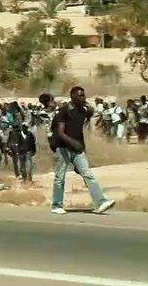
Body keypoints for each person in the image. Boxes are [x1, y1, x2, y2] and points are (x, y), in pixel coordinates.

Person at [51, 86, 116, 215]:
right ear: (72, 97)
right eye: (80, 95)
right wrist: (74, 143)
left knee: (88, 175)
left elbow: (92, 112)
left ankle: (101, 202)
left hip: (78, 148)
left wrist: (81, 147)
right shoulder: (64, 112)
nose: (83, 97)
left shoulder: (83, 111)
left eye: (83, 95)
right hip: (63, 147)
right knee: (60, 177)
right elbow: (60, 133)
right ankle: (56, 205)